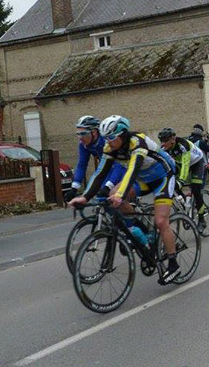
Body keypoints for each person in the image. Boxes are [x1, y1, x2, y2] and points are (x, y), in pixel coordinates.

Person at [68, 116, 181, 285]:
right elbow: (100, 173)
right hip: (143, 179)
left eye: (112, 137)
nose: (109, 142)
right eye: (106, 138)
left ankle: (173, 264)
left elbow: (132, 171)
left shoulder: (138, 143)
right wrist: (85, 196)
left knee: (160, 220)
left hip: (162, 177)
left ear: (123, 134)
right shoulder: (110, 147)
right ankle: (140, 230)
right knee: (111, 194)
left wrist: (120, 195)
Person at [65, 116, 130, 202]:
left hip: (121, 167)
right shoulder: (83, 145)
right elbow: (82, 165)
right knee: (101, 199)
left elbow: (118, 165)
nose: (80, 137)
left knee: (116, 198)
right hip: (108, 169)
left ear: (94, 132)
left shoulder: (106, 141)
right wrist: (74, 188)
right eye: (78, 134)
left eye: (83, 133)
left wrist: (108, 186)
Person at [158, 127, 208, 231]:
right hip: (180, 163)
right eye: (161, 141)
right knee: (171, 183)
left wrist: (181, 181)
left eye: (165, 141)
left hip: (196, 162)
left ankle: (202, 219)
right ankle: (186, 203)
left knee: (195, 188)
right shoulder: (163, 149)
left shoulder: (182, 145)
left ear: (173, 139)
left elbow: (186, 165)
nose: (162, 144)